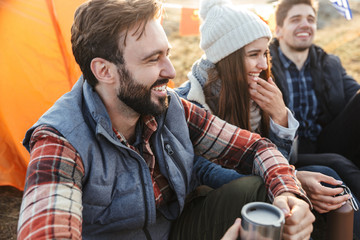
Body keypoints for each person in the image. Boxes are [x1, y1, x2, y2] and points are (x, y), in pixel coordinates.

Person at [17, 0, 316, 239]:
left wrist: (290, 193)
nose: (171, 71)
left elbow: (255, 148)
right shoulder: (60, 141)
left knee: (261, 192)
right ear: (104, 71)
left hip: (179, 228)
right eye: (152, 59)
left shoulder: (169, 106)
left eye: (167, 54)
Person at [175, 0, 359, 237]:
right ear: (227, 58)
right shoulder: (190, 100)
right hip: (214, 200)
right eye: (254, 54)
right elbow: (210, 174)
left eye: (265, 54)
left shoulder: (255, 89)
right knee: (304, 183)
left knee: (328, 179)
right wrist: (291, 180)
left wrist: (280, 117)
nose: (263, 65)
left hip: (263, 183)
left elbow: (285, 158)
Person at [269, 0, 360, 202]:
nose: (305, 24)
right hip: (287, 150)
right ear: (279, 30)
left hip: (326, 140)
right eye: (295, 19)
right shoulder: (264, 67)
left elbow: (354, 100)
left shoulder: (329, 63)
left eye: (310, 19)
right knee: (338, 163)